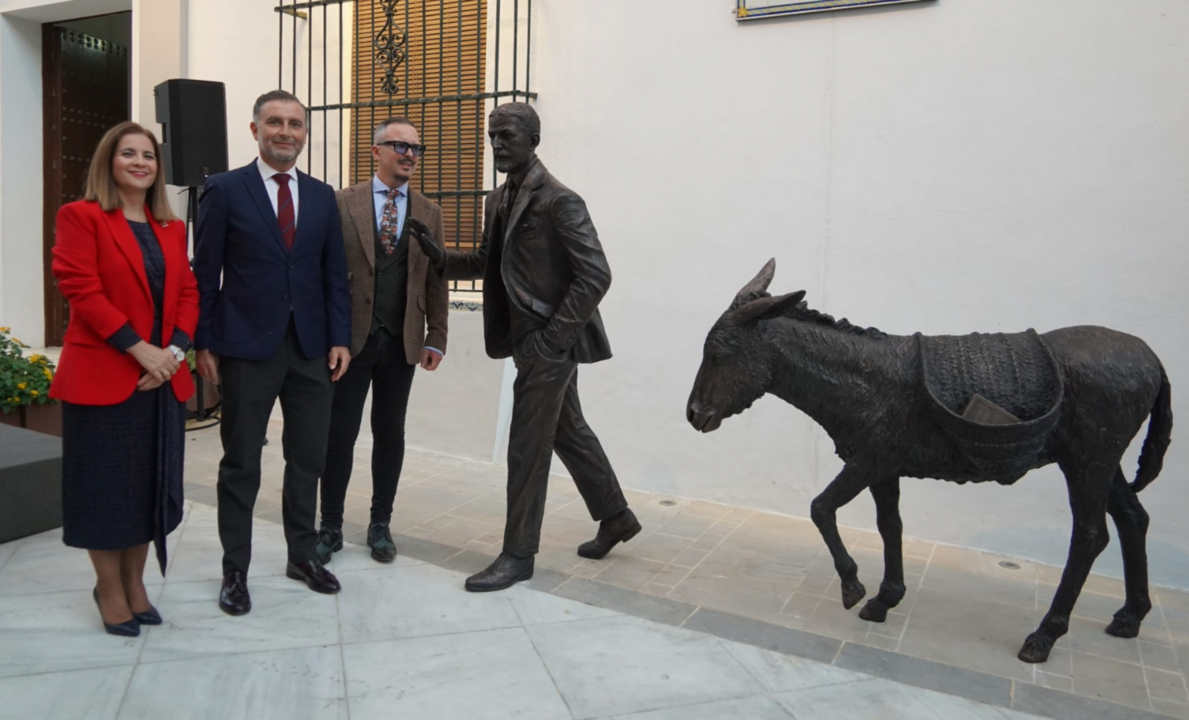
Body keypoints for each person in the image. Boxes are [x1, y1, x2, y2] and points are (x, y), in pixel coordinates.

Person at [412, 102, 641, 592]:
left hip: (547, 343)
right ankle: (616, 516)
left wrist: (553, 338)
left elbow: (596, 274)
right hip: (525, 341)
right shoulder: (498, 200)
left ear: (533, 140)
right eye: (492, 136)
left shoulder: (560, 201)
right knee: (569, 431)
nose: (497, 144)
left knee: (526, 447)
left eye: (507, 135)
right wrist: (440, 258)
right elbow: (486, 261)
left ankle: (518, 554)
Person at [193, 90, 351, 615]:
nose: (286, 132)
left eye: (295, 124)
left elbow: (334, 276)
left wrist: (339, 337)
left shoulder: (322, 195)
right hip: (244, 348)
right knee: (241, 463)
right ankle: (234, 570)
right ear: (254, 128)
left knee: (307, 459)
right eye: (275, 123)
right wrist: (204, 342)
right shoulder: (223, 189)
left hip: (310, 349)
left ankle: (302, 556)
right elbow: (205, 273)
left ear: (305, 133)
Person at [51, 121, 199, 635]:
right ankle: (109, 590)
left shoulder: (171, 228)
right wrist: (142, 352)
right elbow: (81, 289)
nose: (140, 162)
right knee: (105, 490)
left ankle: (136, 585)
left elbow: (188, 294)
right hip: (106, 378)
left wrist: (173, 354)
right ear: (108, 162)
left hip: (161, 379)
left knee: (147, 489)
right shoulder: (81, 217)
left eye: (149, 156)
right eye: (128, 154)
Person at [315, 117, 449, 564]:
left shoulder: (429, 211)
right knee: (340, 434)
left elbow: (436, 279)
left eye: (416, 148)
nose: (409, 154)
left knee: (390, 433)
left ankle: (380, 525)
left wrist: (438, 336)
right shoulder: (341, 202)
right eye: (399, 146)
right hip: (349, 342)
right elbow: (326, 272)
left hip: (403, 340)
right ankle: (329, 525)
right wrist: (328, 334)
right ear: (376, 151)